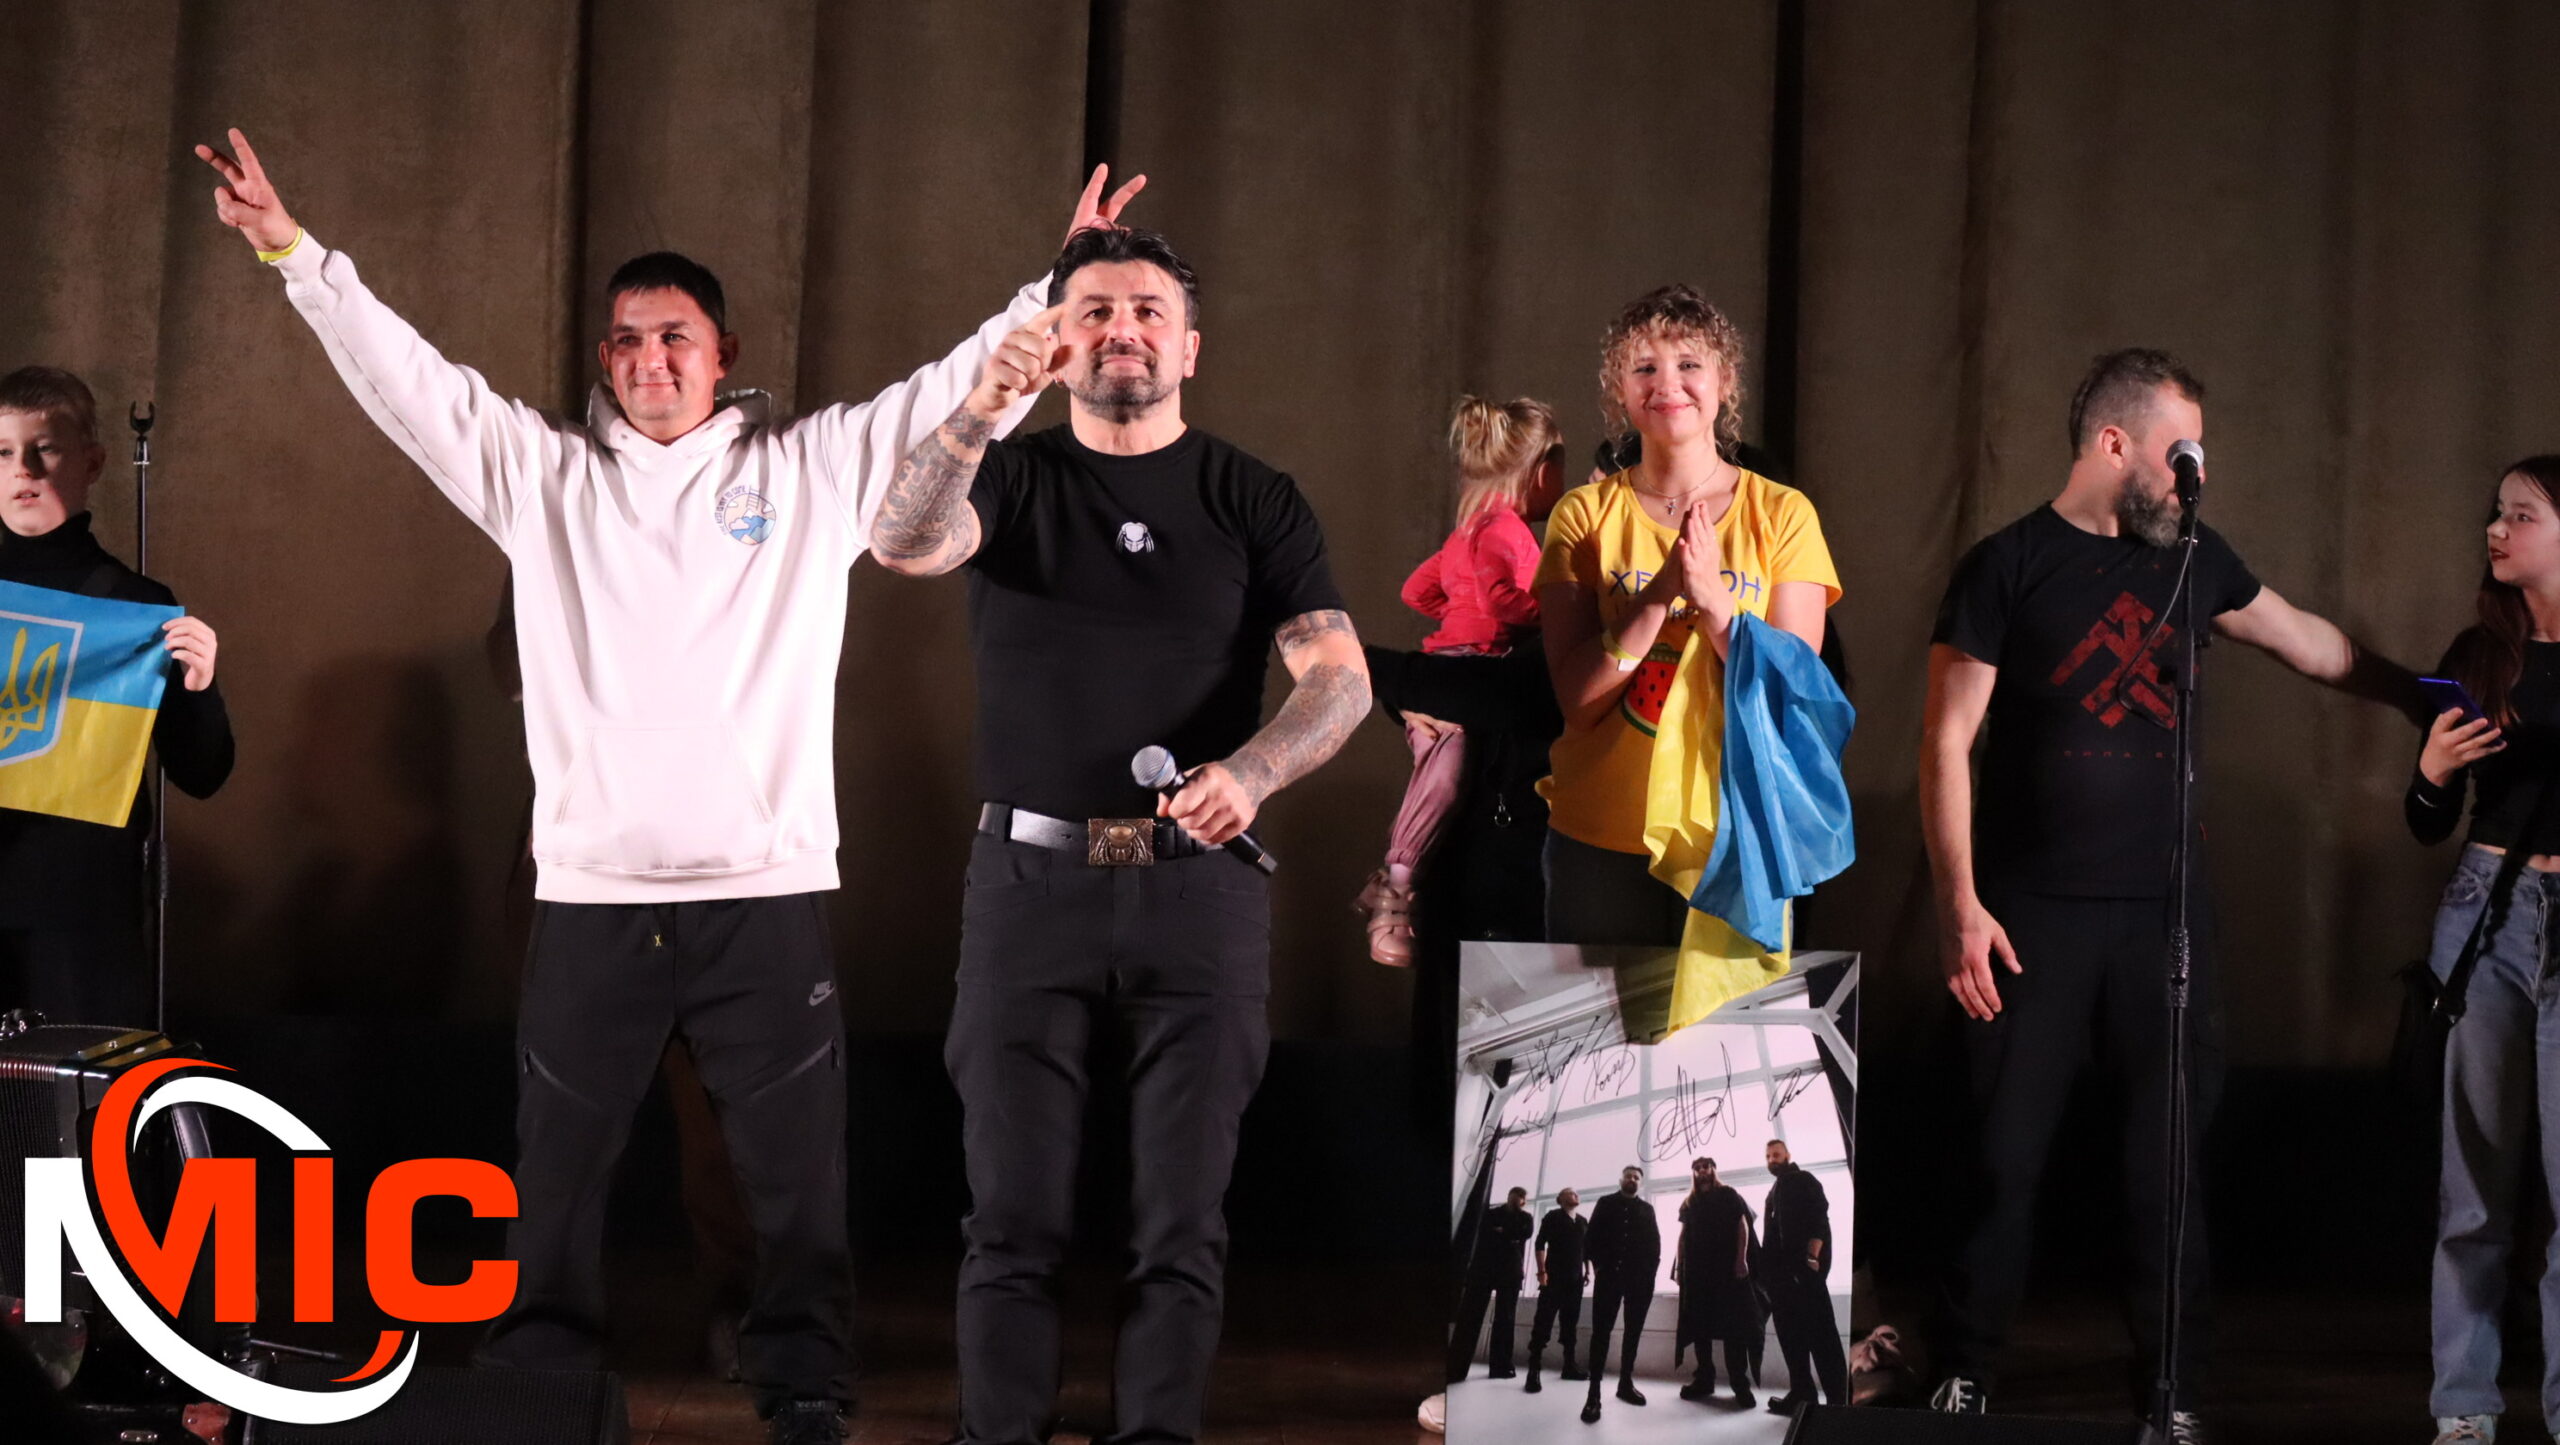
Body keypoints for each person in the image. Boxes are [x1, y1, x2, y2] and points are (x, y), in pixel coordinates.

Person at [196, 127, 1143, 1445]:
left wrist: (1057, 283)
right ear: (606, 360)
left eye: (676, 338)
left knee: (794, 1176)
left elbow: (955, 384)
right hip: (592, 898)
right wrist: (295, 256)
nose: (651, 360)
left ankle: (804, 1390)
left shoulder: (810, 473)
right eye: (629, 342)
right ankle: (541, 1389)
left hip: (764, 892)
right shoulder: (543, 479)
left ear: (723, 353)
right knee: (555, 1176)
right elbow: (408, 381)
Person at [867, 223, 1369, 1445]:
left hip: (1197, 894)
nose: (1122, 330)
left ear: (1190, 348)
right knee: (1011, 1217)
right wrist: (980, 405)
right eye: (1093, 310)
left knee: (1180, 1223)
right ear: (1058, 342)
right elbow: (901, 540)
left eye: (1148, 311)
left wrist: (1252, 771)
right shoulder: (1010, 474)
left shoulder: (1252, 495)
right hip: (1026, 886)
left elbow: (1339, 680)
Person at [1920, 348, 2420, 1438]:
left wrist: (2423, 694)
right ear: (2114, 444)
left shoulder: (2194, 560)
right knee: (2003, 1155)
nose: (2196, 472)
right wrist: (1961, 904)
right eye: (2178, 450)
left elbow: (2304, 641)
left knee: (2168, 1165)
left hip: (2164, 918)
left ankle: (2171, 1387)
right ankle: (1965, 1367)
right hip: (2029, 917)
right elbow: (1946, 742)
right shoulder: (2006, 565)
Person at [1534, 286, 1840, 945]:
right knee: (1594, 1018)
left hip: (1737, 834)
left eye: (1689, 364)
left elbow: (1790, 695)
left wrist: (1716, 605)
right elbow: (1578, 700)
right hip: (1602, 835)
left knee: (1729, 1019)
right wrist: (1658, 595)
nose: (1667, 383)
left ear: (1725, 381)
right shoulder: (1582, 515)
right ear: (1619, 390)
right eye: (1644, 367)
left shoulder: (1783, 514)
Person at [2403, 455, 2560, 1445]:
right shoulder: (2478, 653)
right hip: (2489, 911)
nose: (2497, 530)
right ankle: (2463, 1403)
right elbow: (2426, 820)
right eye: (2496, 514)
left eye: (2522, 514)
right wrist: (2429, 768)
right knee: (2477, 1182)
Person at [0, 367, 231, 1025]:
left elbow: (204, 773)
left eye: (46, 448)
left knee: (81, 1089)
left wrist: (200, 688)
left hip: (82, 924)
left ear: (94, 462)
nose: (23, 469)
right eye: (4, 452)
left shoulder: (137, 606)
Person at [1354, 396, 1564, 965]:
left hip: (1457, 659)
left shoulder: (1467, 532)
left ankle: (1397, 880)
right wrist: (1548, 611)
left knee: (1439, 779)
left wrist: (1456, 611)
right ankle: (1395, 888)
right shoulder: (1508, 531)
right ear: (1541, 472)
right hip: (1471, 660)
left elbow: (1416, 591)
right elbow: (1500, 598)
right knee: (1440, 782)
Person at [1759, 1137, 1846, 1413]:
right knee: (1791, 1340)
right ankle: (1802, 1395)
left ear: (1788, 1155)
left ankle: (1838, 1403)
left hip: (1804, 1278)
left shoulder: (1803, 1180)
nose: (1772, 1160)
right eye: (1768, 1156)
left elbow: (1820, 1218)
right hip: (1781, 1283)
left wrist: (1811, 1260)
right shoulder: (1774, 1191)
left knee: (1823, 1339)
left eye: (1776, 1155)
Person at [1580, 1164, 1664, 1424]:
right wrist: (1599, 1267)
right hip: (1609, 1279)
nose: (1632, 1179)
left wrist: (1649, 1274)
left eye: (1637, 1177)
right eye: (1628, 1175)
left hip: (1639, 1282)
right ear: (1621, 1180)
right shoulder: (1605, 1203)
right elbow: (1591, 1238)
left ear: (1640, 1183)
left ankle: (1625, 1384)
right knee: (1601, 1333)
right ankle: (1593, 1393)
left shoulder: (1647, 1209)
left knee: (1633, 1332)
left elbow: (1655, 1245)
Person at [1673, 1156, 1758, 1406]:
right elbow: (1683, 1236)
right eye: (1697, 1168)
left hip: (1726, 1272)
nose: (1702, 1171)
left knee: (1734, 1329)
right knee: (1700, 1328)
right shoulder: (1690, 1202)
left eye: (1705, 1166)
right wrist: (1679, 1267)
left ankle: (1740, 1385)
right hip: (1697, 1274)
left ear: (1713, 1169)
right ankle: (1704, 1380)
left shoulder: (1728, 1194)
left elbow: (1742, 1224)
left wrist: (1741, 1259)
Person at [1449, 1187, 1537, 1383]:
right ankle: (1459, 1366)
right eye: (1518, 1195)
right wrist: (1510, 1234)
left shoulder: (1524, 1218)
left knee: (1505, 1317)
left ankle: (1499, 1366)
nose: (1520, 1200)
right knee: (1473, 1314)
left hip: (1507, 1270)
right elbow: (1488, 1233)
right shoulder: (1492, 1214)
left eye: (1523, 1197)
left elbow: (1526, 1233)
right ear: (1510, 1195)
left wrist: (1502, 1231)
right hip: (1487, 1268)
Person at [1524, 1186, 1589, 1392]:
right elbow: (1540, 1243)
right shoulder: (1553, 1217)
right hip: (1553, 1279)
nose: (1575, 1194)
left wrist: (1587, 1272)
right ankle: (1533, 1370)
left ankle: (1569, 1366)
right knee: (1543, 1322)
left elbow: (1585, 1250)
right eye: (1570, 1192)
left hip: (1575, 1282)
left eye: (1576, 1192)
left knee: (1570, 1324)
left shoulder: (1582, 1221)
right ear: (1560, 1198)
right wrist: (1541, 1272)